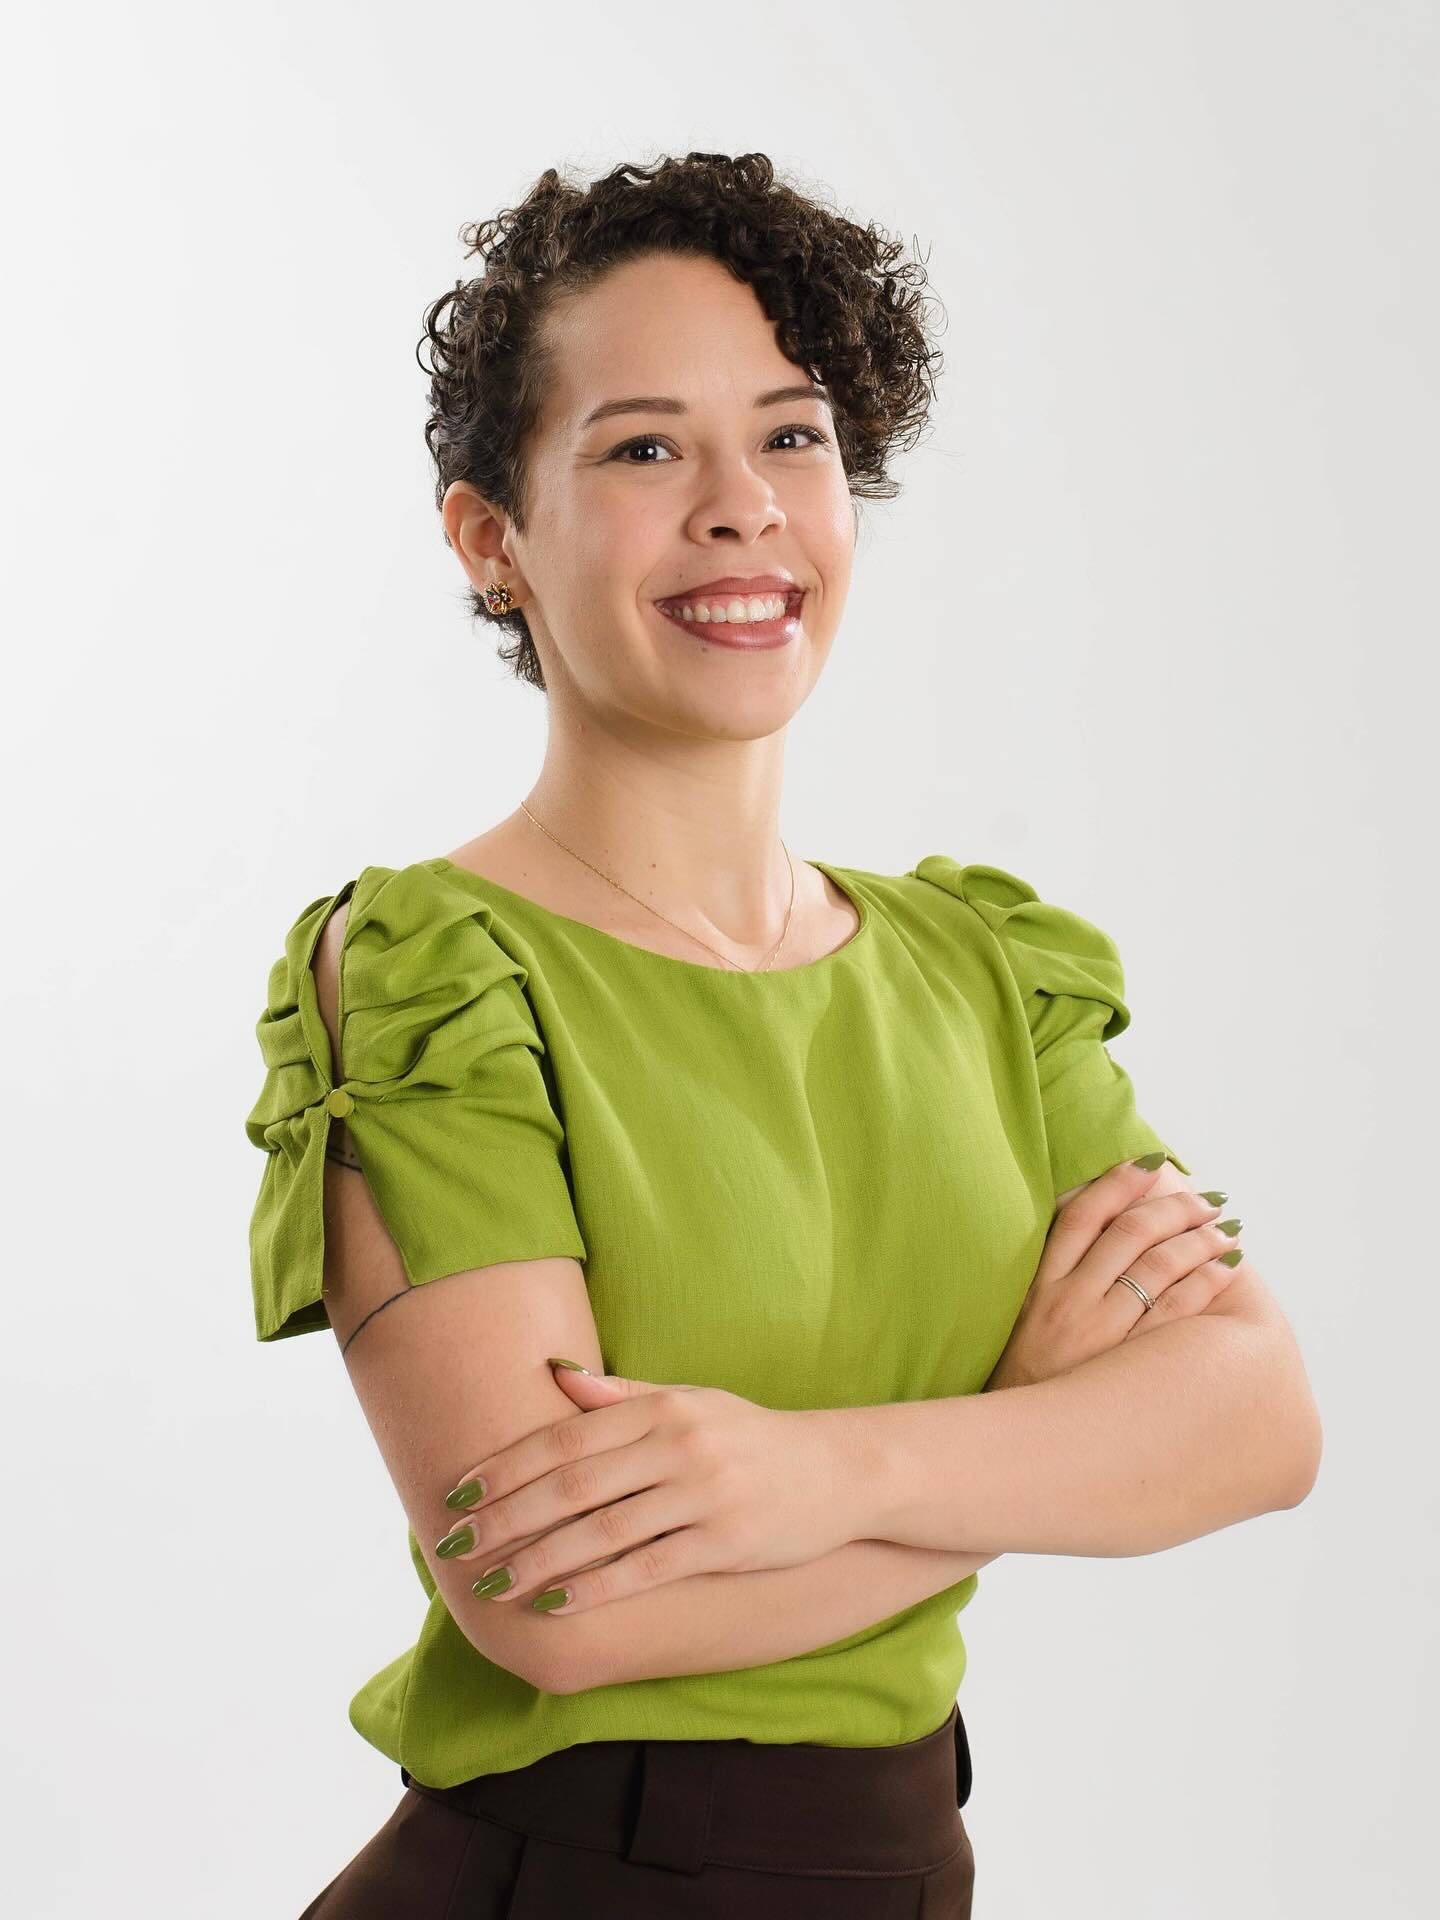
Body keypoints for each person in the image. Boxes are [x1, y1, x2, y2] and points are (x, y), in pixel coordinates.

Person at [245, 150, 1319, 1918]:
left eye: (794, 436)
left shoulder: (983, 968)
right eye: (643, 449)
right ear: (493, 539)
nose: (742, 508)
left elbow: (1257, 1419)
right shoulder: (438, 972)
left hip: (900, 1869)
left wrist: (822, 1474)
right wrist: (1031, 1435)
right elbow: (553, 1607)